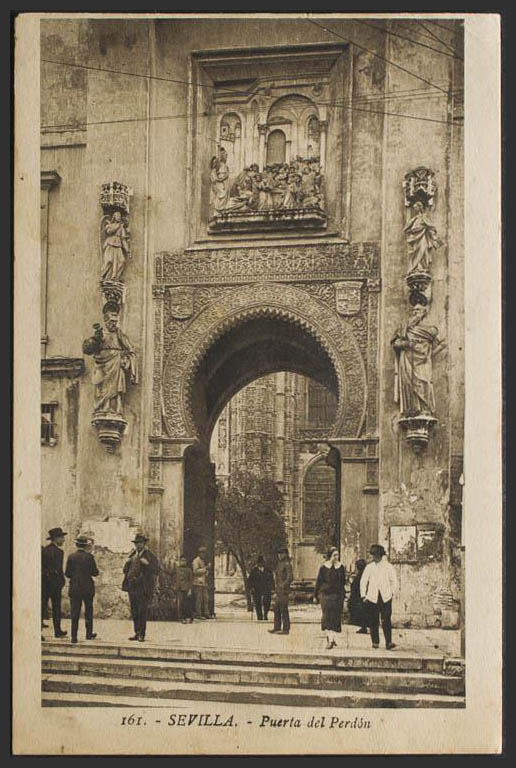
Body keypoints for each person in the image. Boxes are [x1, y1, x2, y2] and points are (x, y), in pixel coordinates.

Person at [82, 302, 138, 415]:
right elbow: (87, 349)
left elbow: (131, 350)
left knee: (116, 390)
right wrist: (95, 340)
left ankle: (115, 410)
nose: (114, 324)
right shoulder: (100, 334)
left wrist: (126, 360)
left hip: (116, 365)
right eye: (111, 322)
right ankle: (102, 409)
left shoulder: (119, 334)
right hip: (102, 366)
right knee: (101, 390)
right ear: (106, 320)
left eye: (115, 322)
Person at [391, 302, 444, 416]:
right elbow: (395, 343)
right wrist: (408, 344)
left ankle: (425, 409)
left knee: (424, 383)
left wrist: (429, 355)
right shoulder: (404, 328)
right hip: (407, 360)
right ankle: (412, 409)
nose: (415, 312)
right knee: (409, 384)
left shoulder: (430, 330)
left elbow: (442, 344)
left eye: (418, 310)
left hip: (423, 363)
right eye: (414, 310)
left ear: (424, 312)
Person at [360, 544, 398, 650]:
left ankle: (388, 642)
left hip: (385, 597)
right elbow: (363, 582)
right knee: (373, 620)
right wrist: (363, 596)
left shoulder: (388, 566)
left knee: (386, 619)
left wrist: (391, 593)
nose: (373, 557)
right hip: (372, 597)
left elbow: (394, 581)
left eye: (375, 555)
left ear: (380, 555)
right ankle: (375, 642)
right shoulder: (369, 567)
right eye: (372, 555)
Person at [122, 533, 159, 642]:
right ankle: (136, 632)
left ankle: (142, 634)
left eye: (140, 543)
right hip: (132, 586)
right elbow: (125, 571)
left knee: (142, 610)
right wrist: (127, 563)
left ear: (144, 544)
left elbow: (156, 570)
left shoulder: (150, 556)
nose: (138, 545)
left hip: (143, 587)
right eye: (136, 543)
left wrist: (147, 564)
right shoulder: (132, 555)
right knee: (134, 610)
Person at [65, 535, 99, 644]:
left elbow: (67, 573)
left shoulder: (71, 557)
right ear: (85, 546)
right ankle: (88, 634)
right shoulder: (89, 557)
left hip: (75, 588)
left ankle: (74, 636)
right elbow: (95, 572)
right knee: (88, 611)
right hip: (87, 588)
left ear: (76, 545)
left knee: (75, 612)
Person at [314, 547, 347, 649]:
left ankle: (331, 638)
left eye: (337, 555)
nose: (336, 557)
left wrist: (343, 596)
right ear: (330, 556)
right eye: (334, 555)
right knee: (327, 617)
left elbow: (343, 582)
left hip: (337, 595)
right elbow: (318, 582)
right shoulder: (323, 567)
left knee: (335, 618)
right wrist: (315, 595)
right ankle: (330, 640)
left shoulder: (341, 567)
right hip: (325, 595)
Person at [42, 527, 68, 638]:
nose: (63, 540)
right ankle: (57, 631)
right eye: (62, 537)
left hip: (45, 583)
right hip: (55, 583)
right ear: (56, 538)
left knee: (42, 606)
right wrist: (62, 581)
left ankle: (38, 632)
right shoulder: (59, 552)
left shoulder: (44, 550)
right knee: (56, 607)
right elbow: (59, 569)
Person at [101, 210, 131, 282]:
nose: (119, 217)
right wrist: (118, 226)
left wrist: (128, 250)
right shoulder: (109, 226)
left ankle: (115, 278)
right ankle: (103, 276)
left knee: (122, 261)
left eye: (120, 216)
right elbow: (109, 232)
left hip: (118, 246)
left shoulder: (121, 228)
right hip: (110, 244)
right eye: (118, 216)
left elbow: (123, 240)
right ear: (114, 217)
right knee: (109, 261)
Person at [269, 547, 293, 635]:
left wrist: (283, 585)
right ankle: (277, 627)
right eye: (279, 554)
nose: (279, 555)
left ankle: (286, 629)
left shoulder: (287, 564)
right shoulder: (279, 564)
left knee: (283, 609)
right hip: (278, 590)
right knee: (277, 609)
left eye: (281, 553)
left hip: (284, 590)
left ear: (285, 554)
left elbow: (290, 577)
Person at [248, 556, 274, 621]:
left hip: (266, 588)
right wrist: (251, 588)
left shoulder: (268, 570)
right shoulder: (254, 571)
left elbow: (271, 579)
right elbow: (250, 580)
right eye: (259, 563)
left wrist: (272, 588)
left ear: (263, 563)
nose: (260, 564)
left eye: (261, 562)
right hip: (257, 589)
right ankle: (259, 616)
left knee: (267, 602)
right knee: (257, 602)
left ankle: (265, 614)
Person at [347, 558, 369, 634]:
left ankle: (364, 627)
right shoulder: (365, 574)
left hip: (359, 598)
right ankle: (364, 627)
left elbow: (354, 587)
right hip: (363, 596)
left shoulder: (360, 575)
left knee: (360, 612)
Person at [172, 554, 193, 623]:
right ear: (179, 561)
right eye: (182, 560)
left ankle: (188, 617)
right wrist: (174, 587)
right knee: (180, 604)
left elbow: (190, 580)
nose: (183, 562)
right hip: (179, 589)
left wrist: (190, 590)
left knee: (186, 604)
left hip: (186, 589)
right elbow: (174, 578)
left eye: (184, 561)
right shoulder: (177, 569)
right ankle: (181, 618)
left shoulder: (189, 570)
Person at [192, 546, 211, 620]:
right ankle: (198, 614)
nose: (204, 554)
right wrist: (205, 568)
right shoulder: (196, 561)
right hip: (198, 582)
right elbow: (195, 571)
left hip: (203, 582)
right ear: (199, 553)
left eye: (204, 553)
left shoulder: (202, 561)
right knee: (199, 599)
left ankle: (206, 613)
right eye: (202, 553)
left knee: (206, 599)